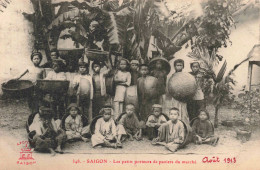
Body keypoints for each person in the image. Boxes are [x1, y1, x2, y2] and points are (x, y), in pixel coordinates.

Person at [166, 59, 190, 125]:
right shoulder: (171, 76)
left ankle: (184, 127)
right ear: (174, 66)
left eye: (180, 65)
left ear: (183, 66)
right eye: (177, 65)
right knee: (174, 111)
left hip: (183, 97)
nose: (179, 67)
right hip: (174, 97)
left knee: (184, 113)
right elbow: (169, 86)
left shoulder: (186, 76)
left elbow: (188, 85)